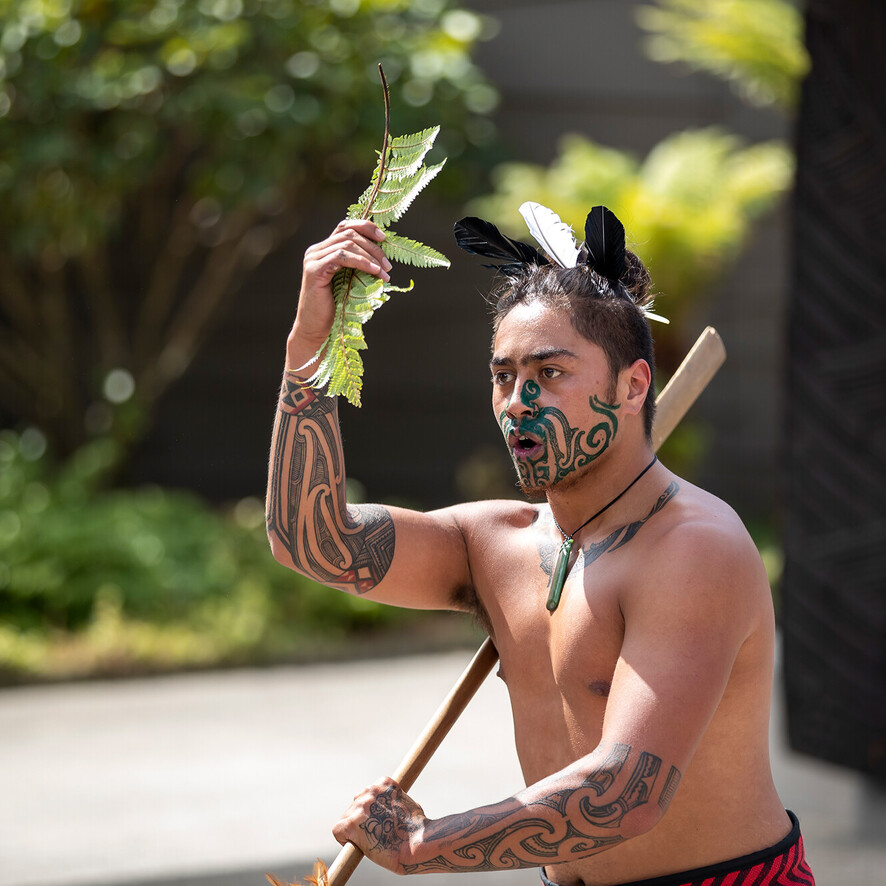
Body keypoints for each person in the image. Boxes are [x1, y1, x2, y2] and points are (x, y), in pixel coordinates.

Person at [265, 206, 815, 886]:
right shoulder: (495, 544)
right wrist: (311, 345)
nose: (518, 401)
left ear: (633, 385)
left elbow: (625, 793)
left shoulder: (694, 550)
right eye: (503, 376)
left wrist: (422, 844)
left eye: (550, 373)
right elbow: (309, 539)